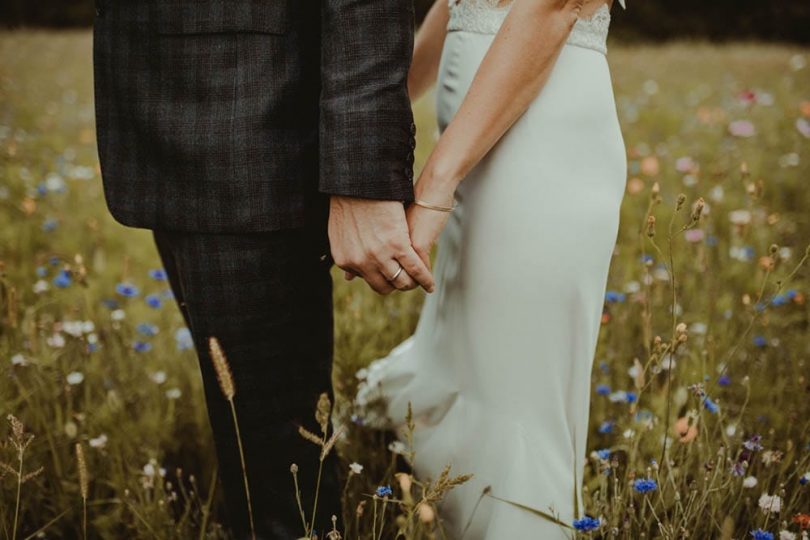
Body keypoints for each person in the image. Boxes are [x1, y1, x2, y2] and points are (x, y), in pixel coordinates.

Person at [92, 1, 433, 538]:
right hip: (175, 110)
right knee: (250, 458)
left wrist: (362, 178)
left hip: (252, 127)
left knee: (282, 491)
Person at [355, 0, 627, 537]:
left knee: (516, 384)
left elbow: (554, 8)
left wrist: (435, 184)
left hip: (540, 132)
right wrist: (371, 114)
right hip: (470, 131)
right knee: (464, 349)